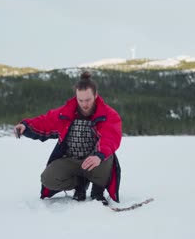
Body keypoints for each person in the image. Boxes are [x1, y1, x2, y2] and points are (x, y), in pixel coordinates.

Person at [14, 71, 122, 205]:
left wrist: (99, 155)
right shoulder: (66, 112)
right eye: (80, 100)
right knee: (48, 179)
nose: (84, 104)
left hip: (95, 160)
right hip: (71, 160)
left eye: (88, 100)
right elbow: (45, 122)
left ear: (95, 95)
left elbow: (110, 136)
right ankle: (80, 184)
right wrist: (26, 126)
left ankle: (97, 191)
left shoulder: (108, 114)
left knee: (107, 156)